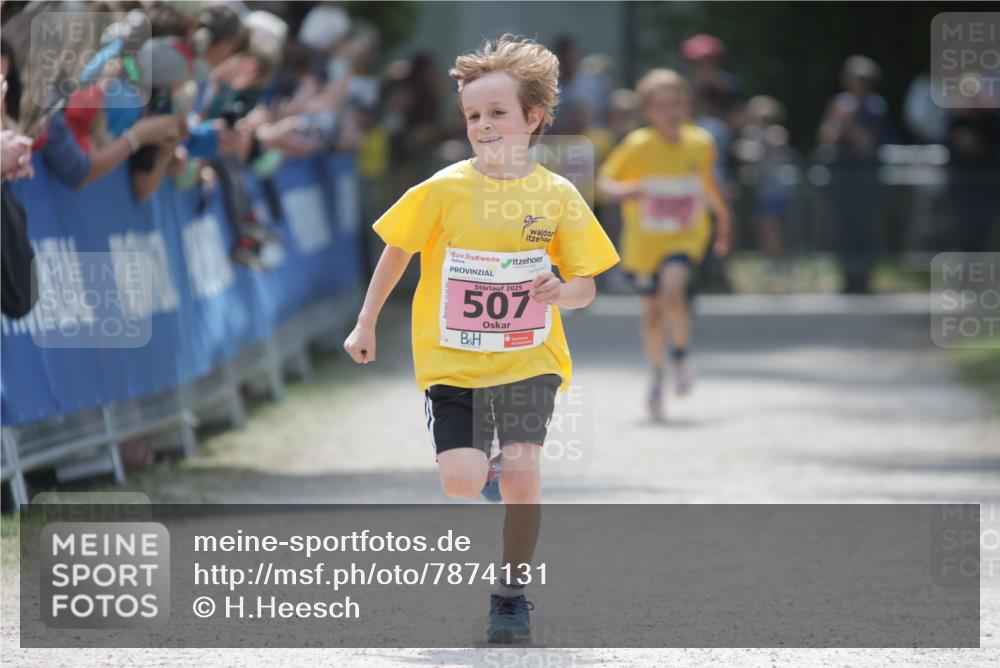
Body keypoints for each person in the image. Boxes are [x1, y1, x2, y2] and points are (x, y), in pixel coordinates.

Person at [343, 34, 619, 643]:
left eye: (498, 113)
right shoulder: (443, 188)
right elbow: (396, 252)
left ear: (534, 118)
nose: (484, 126)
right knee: (461, 481)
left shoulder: (557, 195)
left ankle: (511, 596)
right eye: (473, 115)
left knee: (524, 475)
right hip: (454, 361)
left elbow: (587, 286)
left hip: (530, 357)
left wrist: (560, 292)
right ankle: (484, 473)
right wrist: (365, 322)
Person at [598, 69, 732, 419]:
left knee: (674, 288)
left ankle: (681, 355)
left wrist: (724, 225)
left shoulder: (701, 142)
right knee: (652, 312)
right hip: (644, 243)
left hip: (686, 235)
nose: (671, 112)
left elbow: (710, 185)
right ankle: (657, 375)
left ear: (688, 104)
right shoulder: (638, 146)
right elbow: (604, 185)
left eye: (677, 103)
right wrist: (634, 189)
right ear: (647, 112)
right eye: (662, 105)